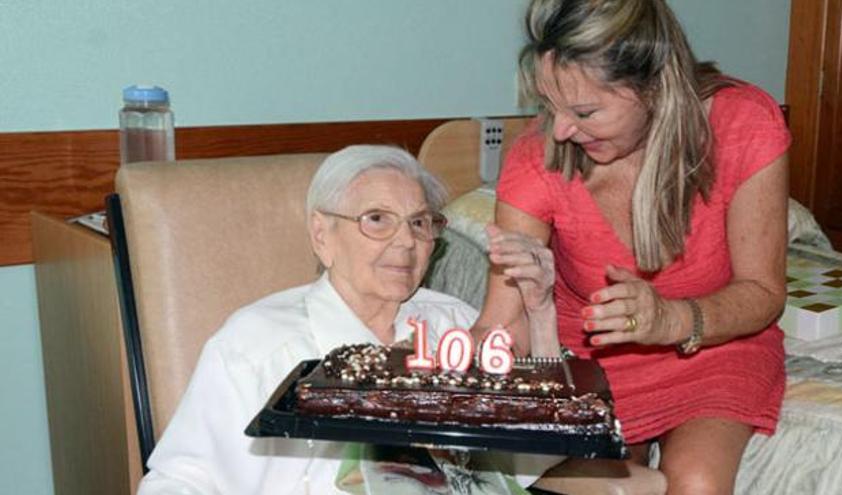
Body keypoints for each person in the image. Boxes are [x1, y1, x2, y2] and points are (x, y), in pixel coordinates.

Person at [474, 1, 791, 493]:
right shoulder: (537, 159)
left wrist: (672, 320)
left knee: (698, 482)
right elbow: (503, 320)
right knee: (614, 482)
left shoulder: (744, 124)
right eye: (550, 107)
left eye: (584, 112)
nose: (560, 130)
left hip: (715, 345)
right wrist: (458, 362)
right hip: (589, 360)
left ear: (654, 86)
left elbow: (764, 291)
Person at [138, 145, 558, 494]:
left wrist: (540, 312)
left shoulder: (453, 324)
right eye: (377, 219)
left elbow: (534, 453)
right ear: (322, 234)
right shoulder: (257, 344)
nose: (406, 241)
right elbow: (178, 482)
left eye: (418, 223)